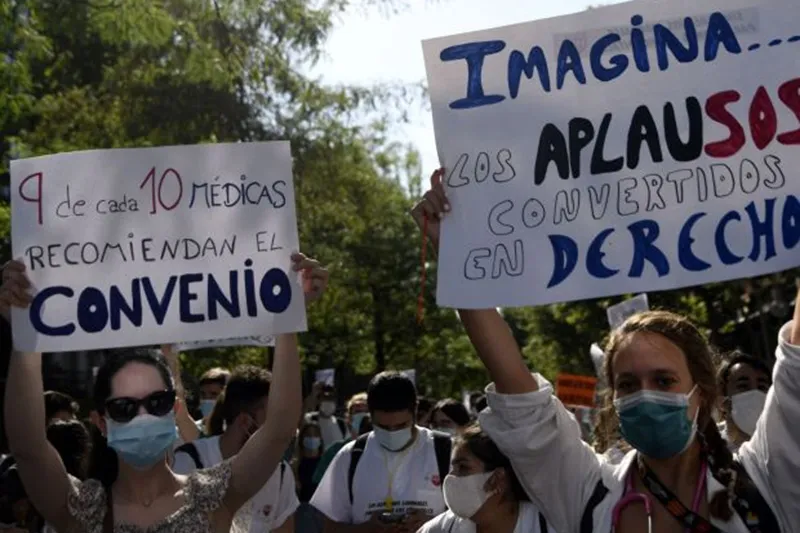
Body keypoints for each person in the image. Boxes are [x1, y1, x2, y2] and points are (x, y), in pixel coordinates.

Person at [412, 169, 799, 533]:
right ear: (613, 399)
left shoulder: (766, 477)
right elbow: (516, 388)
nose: (646, 394)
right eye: (628, 384)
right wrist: (458, 258)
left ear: (702, 392)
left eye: (663, 380)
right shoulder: (588, 493)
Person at [1, 253, 326, 533]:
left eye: (155, 402)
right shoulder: (83, 510)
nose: (143, 416)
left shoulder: (214, 494)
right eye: (125, 408)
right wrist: (25, 334)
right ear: (101, 422)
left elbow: (279, 429)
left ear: (173, 409)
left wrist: (288, 317)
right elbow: (28, 447)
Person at [311, 371, 451, 533]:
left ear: (415, 410)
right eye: (383, 427)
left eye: (401, 426)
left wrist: (430, 524)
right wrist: (366, 529)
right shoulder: (350, 456)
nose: (392, 433)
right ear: (370, 415)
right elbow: (329, 528)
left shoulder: (445, 451)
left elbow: (471, 521)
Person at [173, 365, 298, 533]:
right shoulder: (189, 463)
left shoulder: (281, 473)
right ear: (245, 422)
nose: (283, 432)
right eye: (273, 424)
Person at [418, 425, 554, 533]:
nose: (451, 477)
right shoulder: (441, 529)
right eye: (452, 468)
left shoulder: (548, 526)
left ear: (497, 478)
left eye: (463, 467)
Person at [717, 353, 772, 454]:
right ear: (722, 397)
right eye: (743, 386)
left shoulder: (786, 439)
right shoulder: (709, 447)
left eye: (761, 387)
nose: (754, 393)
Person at [311, 393, 369, 486]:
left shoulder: (384, 448)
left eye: (366, 411)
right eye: (357, 411)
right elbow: (319, 485)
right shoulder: (335, 451)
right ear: (348, 418)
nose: (362, 415)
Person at [304, 383, 347, 451]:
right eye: (325, 398)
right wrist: (312, 395)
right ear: (318, 400)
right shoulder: (309, 419)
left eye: (331, 398)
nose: (328, 401)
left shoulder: (342, 424)